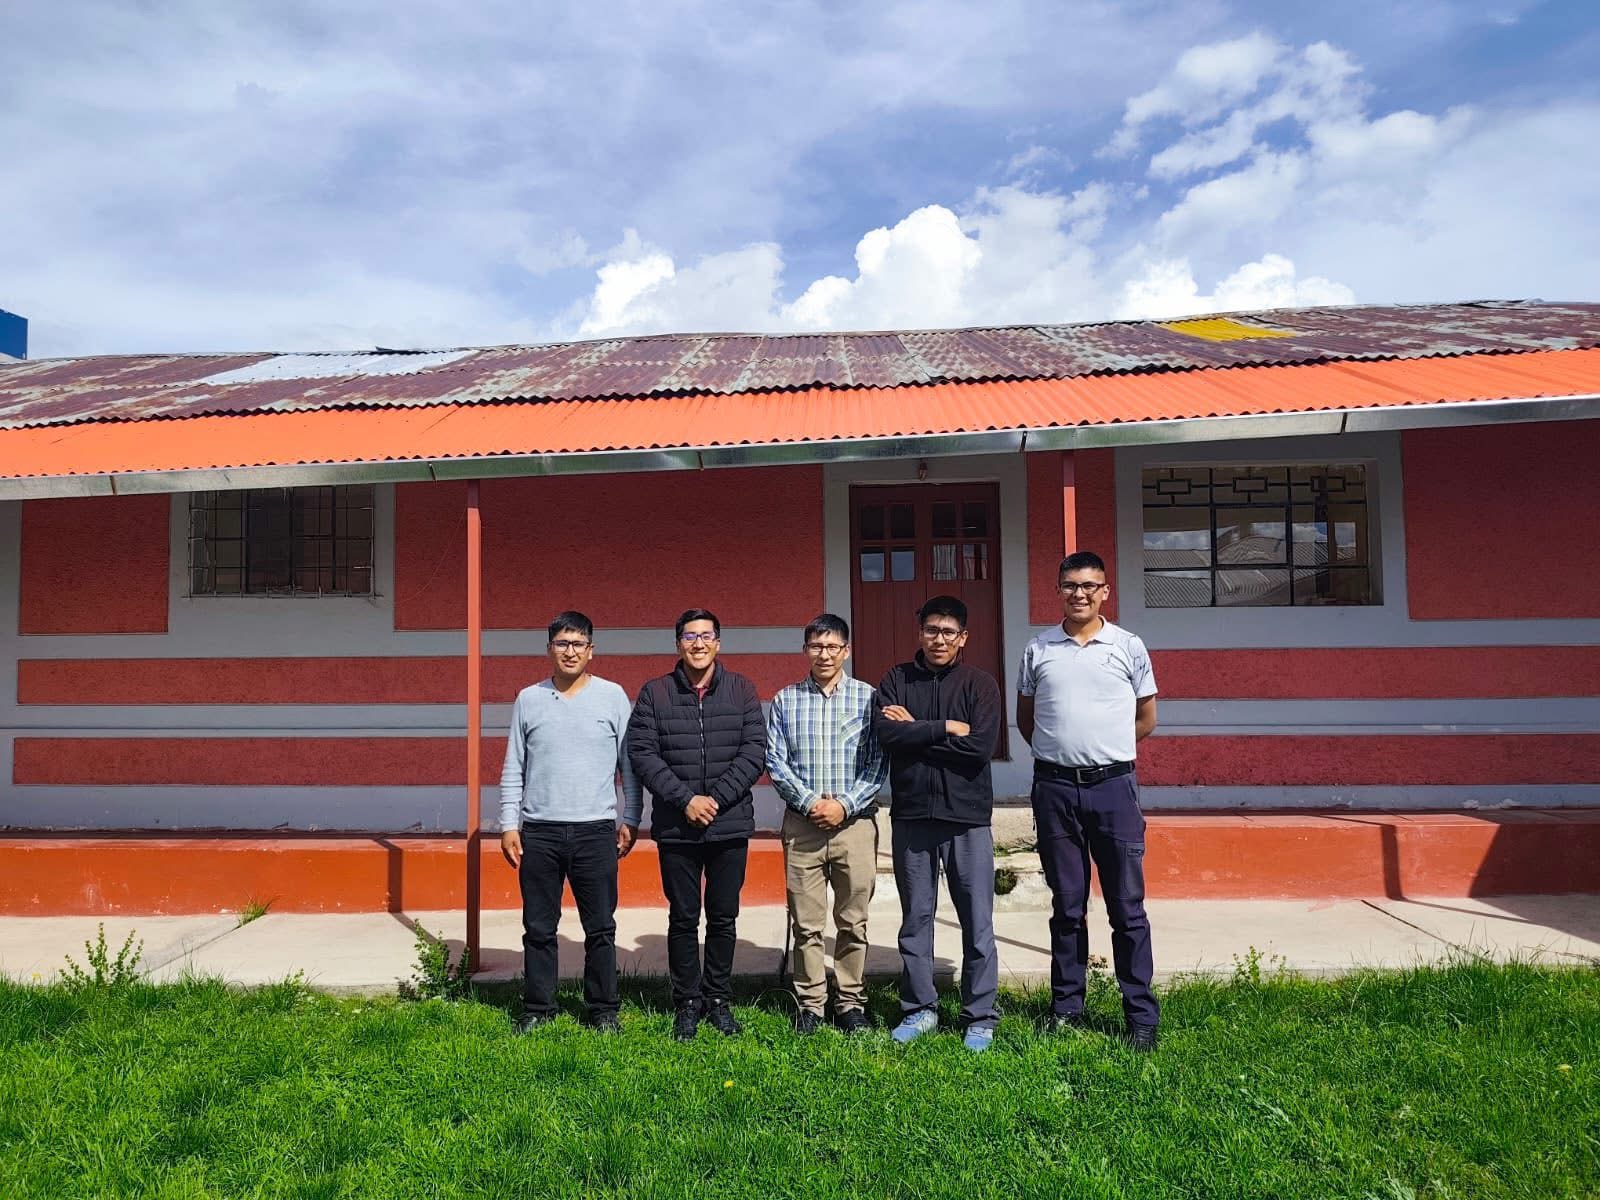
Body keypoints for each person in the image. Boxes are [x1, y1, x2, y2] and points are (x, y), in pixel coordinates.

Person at [1017, 551, 1161, 1051]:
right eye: (1070, 585)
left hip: (1114, 789)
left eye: (1089, 585)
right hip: (1054, 789)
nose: (1079, 593)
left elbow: (1146, 718)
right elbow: (1027, 719)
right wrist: (1062, 754)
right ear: (1058, 590)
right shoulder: (1038, 648)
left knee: (1127, 907)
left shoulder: (1128, 646)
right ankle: (1066, 1009)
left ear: (1105, 591)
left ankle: (1140, 1015)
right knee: (1067, 905)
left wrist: (1106, 751)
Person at [499, 611, 641, 1033]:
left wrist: (631, 817)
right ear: (549, 650)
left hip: (595, 830)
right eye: (562, 643)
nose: (570, 651)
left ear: (591, 650)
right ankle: (538, 1009)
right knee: (539, 927)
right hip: (539, 831)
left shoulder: (613, 697)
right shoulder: (529, 699)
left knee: (600, 928)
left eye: (578, 643)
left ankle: (603, 1010)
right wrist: (508, 824)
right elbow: (514, 766)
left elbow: (629, 766)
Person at [628, 608, 766, 1041]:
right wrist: (685, 800)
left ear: (718, 643)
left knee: (723, 917)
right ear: (678, 644)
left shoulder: (742, 690)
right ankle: (687, 1001)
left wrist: (716, 800)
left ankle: (719, 999)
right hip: (677, 826)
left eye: (706, 636)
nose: (699, 644)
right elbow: (643, 753)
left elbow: (754, 751)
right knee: (684, 917)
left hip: (729, 825)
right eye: (690, 636)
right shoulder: (655, 693)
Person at [874, 594, 1003, 1052]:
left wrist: (916, 730)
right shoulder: (896, 680)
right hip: (913, 817)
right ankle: (919, 1008)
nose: (939, 639)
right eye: (932, 630)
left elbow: (979, 748)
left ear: (963, 638)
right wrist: (946, 726)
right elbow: (887, 735)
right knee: (916, 919)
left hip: (967, 818)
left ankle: (980, 1015)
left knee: (977, 920)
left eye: (949, 632)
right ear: (920, 633)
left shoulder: (980, 685)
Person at [766, 613, 889, 1035]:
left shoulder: (867, 698)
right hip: (803, 826)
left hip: (854, 826)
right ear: (805, 650)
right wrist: (810, 803)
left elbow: (878, 761)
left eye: (833, 646)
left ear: (846, 651)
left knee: (853, 921)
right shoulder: (786, 700)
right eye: (817, 646)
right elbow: (776, 761)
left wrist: (844, 805)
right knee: (806, 923)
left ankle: (850, 1002)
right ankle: (811, 1004)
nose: (824, 654)